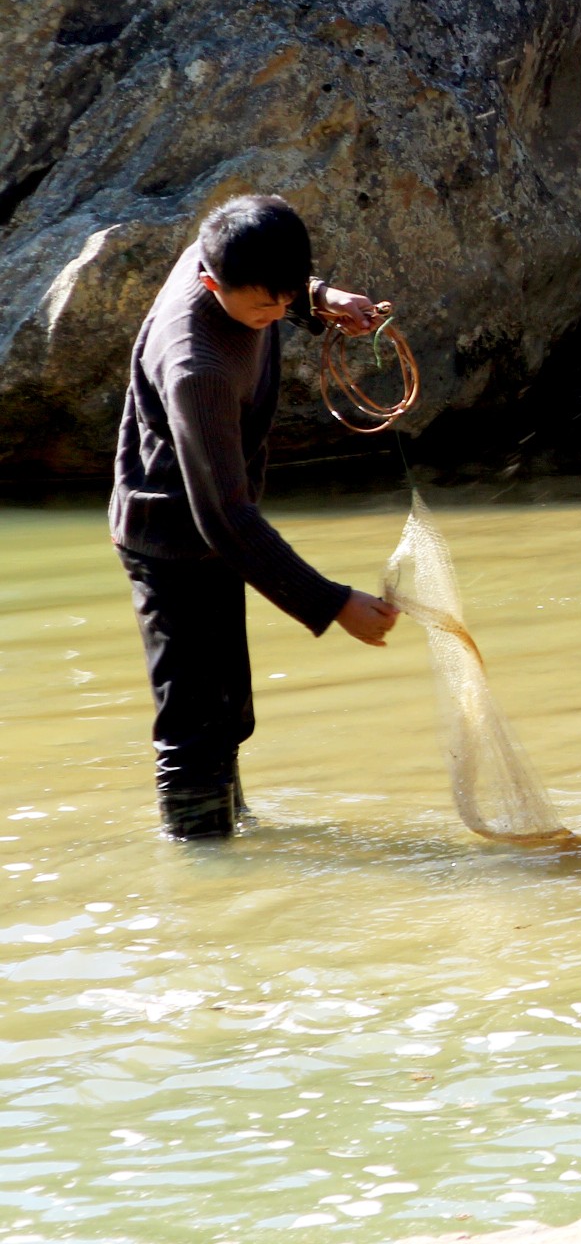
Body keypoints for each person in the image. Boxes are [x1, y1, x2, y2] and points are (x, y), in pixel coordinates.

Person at [110, 194, 402, 840]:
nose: (274, 316)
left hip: (220, 526)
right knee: (193, 728)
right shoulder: (198, 367)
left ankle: (230, 832)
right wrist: (331, 604)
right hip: (171, 537)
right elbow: (225, 519)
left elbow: (279, 285)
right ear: (211, 283)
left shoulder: (228, 250)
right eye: (262, 307)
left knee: (229, 710)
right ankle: (201, 875)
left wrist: (323, 301)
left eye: (285, 298)